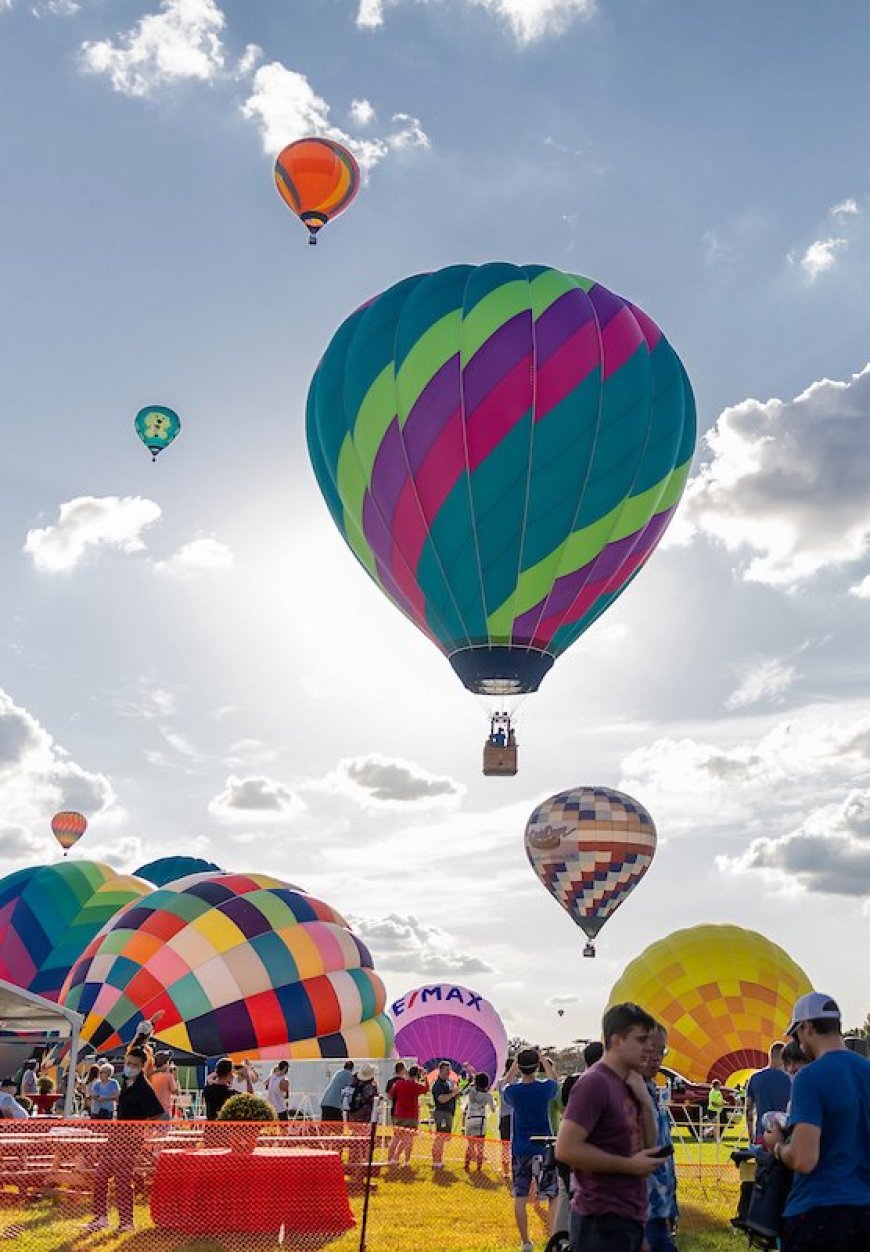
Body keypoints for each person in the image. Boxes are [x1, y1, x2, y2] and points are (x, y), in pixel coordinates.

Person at [764, 992, 870, 1252]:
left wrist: (777, 1145)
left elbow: (804, 1159)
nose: (798, 1044)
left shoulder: (809, 1077)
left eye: (796, 1035)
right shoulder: (866, 1071)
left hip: (818, 1213)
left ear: (807, 1027)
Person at [556, 1002, 663, 1252]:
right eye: (641, 1040)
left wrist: (645, 1103)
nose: (649, 1048)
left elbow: (648, 1146)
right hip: (600, 1220)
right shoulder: (595, 1082)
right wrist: (628, 1166)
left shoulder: (631, 1083)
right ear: (616, 1041)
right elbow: (566, 1149)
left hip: (628, 1218)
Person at [84, 1046, 164, 1233]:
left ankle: (126, 1222)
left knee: (122, 1178)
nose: (129, 1067)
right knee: (101, 1174)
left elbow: (156, 1114)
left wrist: (142, 1130)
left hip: (131, 1138)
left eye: (134, 1065)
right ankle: (100, 1218)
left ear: (142, 1067)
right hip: (116, 1134)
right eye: (128, 1063)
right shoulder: (125, 1082)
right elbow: (135, 1045)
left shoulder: (144, 1089)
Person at [502, 1047, 561, 1252]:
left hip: (521, 1148)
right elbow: (555, 1080)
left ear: (520, 1067)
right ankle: (552, 1235)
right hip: (543, 1147)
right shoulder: (544, 1089)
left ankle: (526, 1241)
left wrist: (514, 1065)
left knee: (520, 1196)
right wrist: (543, 1059)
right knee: (553, 1194)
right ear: (537, 1067)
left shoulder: (514, 1092)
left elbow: (504, 1084)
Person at [640, 1025, 678, 1252]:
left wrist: (671, 1207)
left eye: (661, 1051)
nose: (656, 1058)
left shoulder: (651, 1089)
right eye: (651, 1050)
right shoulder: (624, 1092)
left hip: (658, 1208)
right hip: (639, 1211)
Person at [746, 1041, 791, 1145]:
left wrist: (751, 1136)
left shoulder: (754, 1078)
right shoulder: (789, 1079)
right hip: (782, 1137)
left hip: (761, 1135)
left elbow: (748, 1110)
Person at [388, 1064, 430, 1166]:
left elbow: (390, 1096)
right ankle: (406, 1161)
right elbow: (426, 1089)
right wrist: (425, 1077)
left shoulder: (399, 1084)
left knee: (396, 1138)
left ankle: (390, 1159)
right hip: (412, 1116)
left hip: (399, 1114)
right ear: (417, 1076)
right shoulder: (417, 1086)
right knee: (409, 1140)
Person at [430, 1061, 461, 1168]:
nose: (448, 1072)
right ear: (440, 1070)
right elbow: (441, 1099)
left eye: (449, 1070)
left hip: (448, 1113)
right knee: (440, 1137)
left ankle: (439, 1160)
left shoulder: (448, 1083)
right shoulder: (438, 1084)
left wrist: (456, 1094)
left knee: (443, 1138)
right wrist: (452, 1094)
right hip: (442, 1113)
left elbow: (451, 1095)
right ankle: (436, 1161)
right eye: (446, 1070)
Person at [463, 1071, 495, 1172]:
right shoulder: (488, 1095)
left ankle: (466, 1165)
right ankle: (479, 1167)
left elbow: (463, 1092)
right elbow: (493, 1109)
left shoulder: (471, 1090)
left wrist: (471, 1083)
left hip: (470, 1119)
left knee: (470, 1145)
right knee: (480, 1146)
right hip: (481, 1120)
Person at [150, 1051, 179, 1120]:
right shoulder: (168, 1077)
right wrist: (175, 1078)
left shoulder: (150, 1076)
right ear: (165, 1063)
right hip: (164, 1110)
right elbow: (176, 1091)